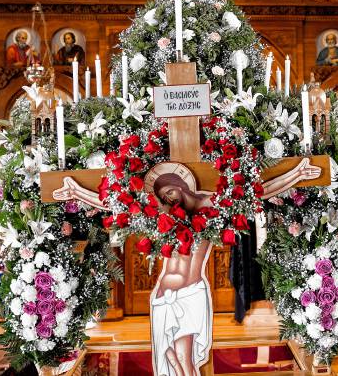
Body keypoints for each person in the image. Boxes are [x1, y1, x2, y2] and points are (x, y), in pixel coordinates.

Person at [52, 158, 321, 376]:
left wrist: (296, 173)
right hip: (162, 300)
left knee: (185, 359)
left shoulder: (210, 205)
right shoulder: (161, 213)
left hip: (190, 294)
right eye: (162, 195)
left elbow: (259, 192)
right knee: (170, 359)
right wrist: (76, 191)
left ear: (181, 184)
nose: (168, 198)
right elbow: (113, 204)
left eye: (169, 190)